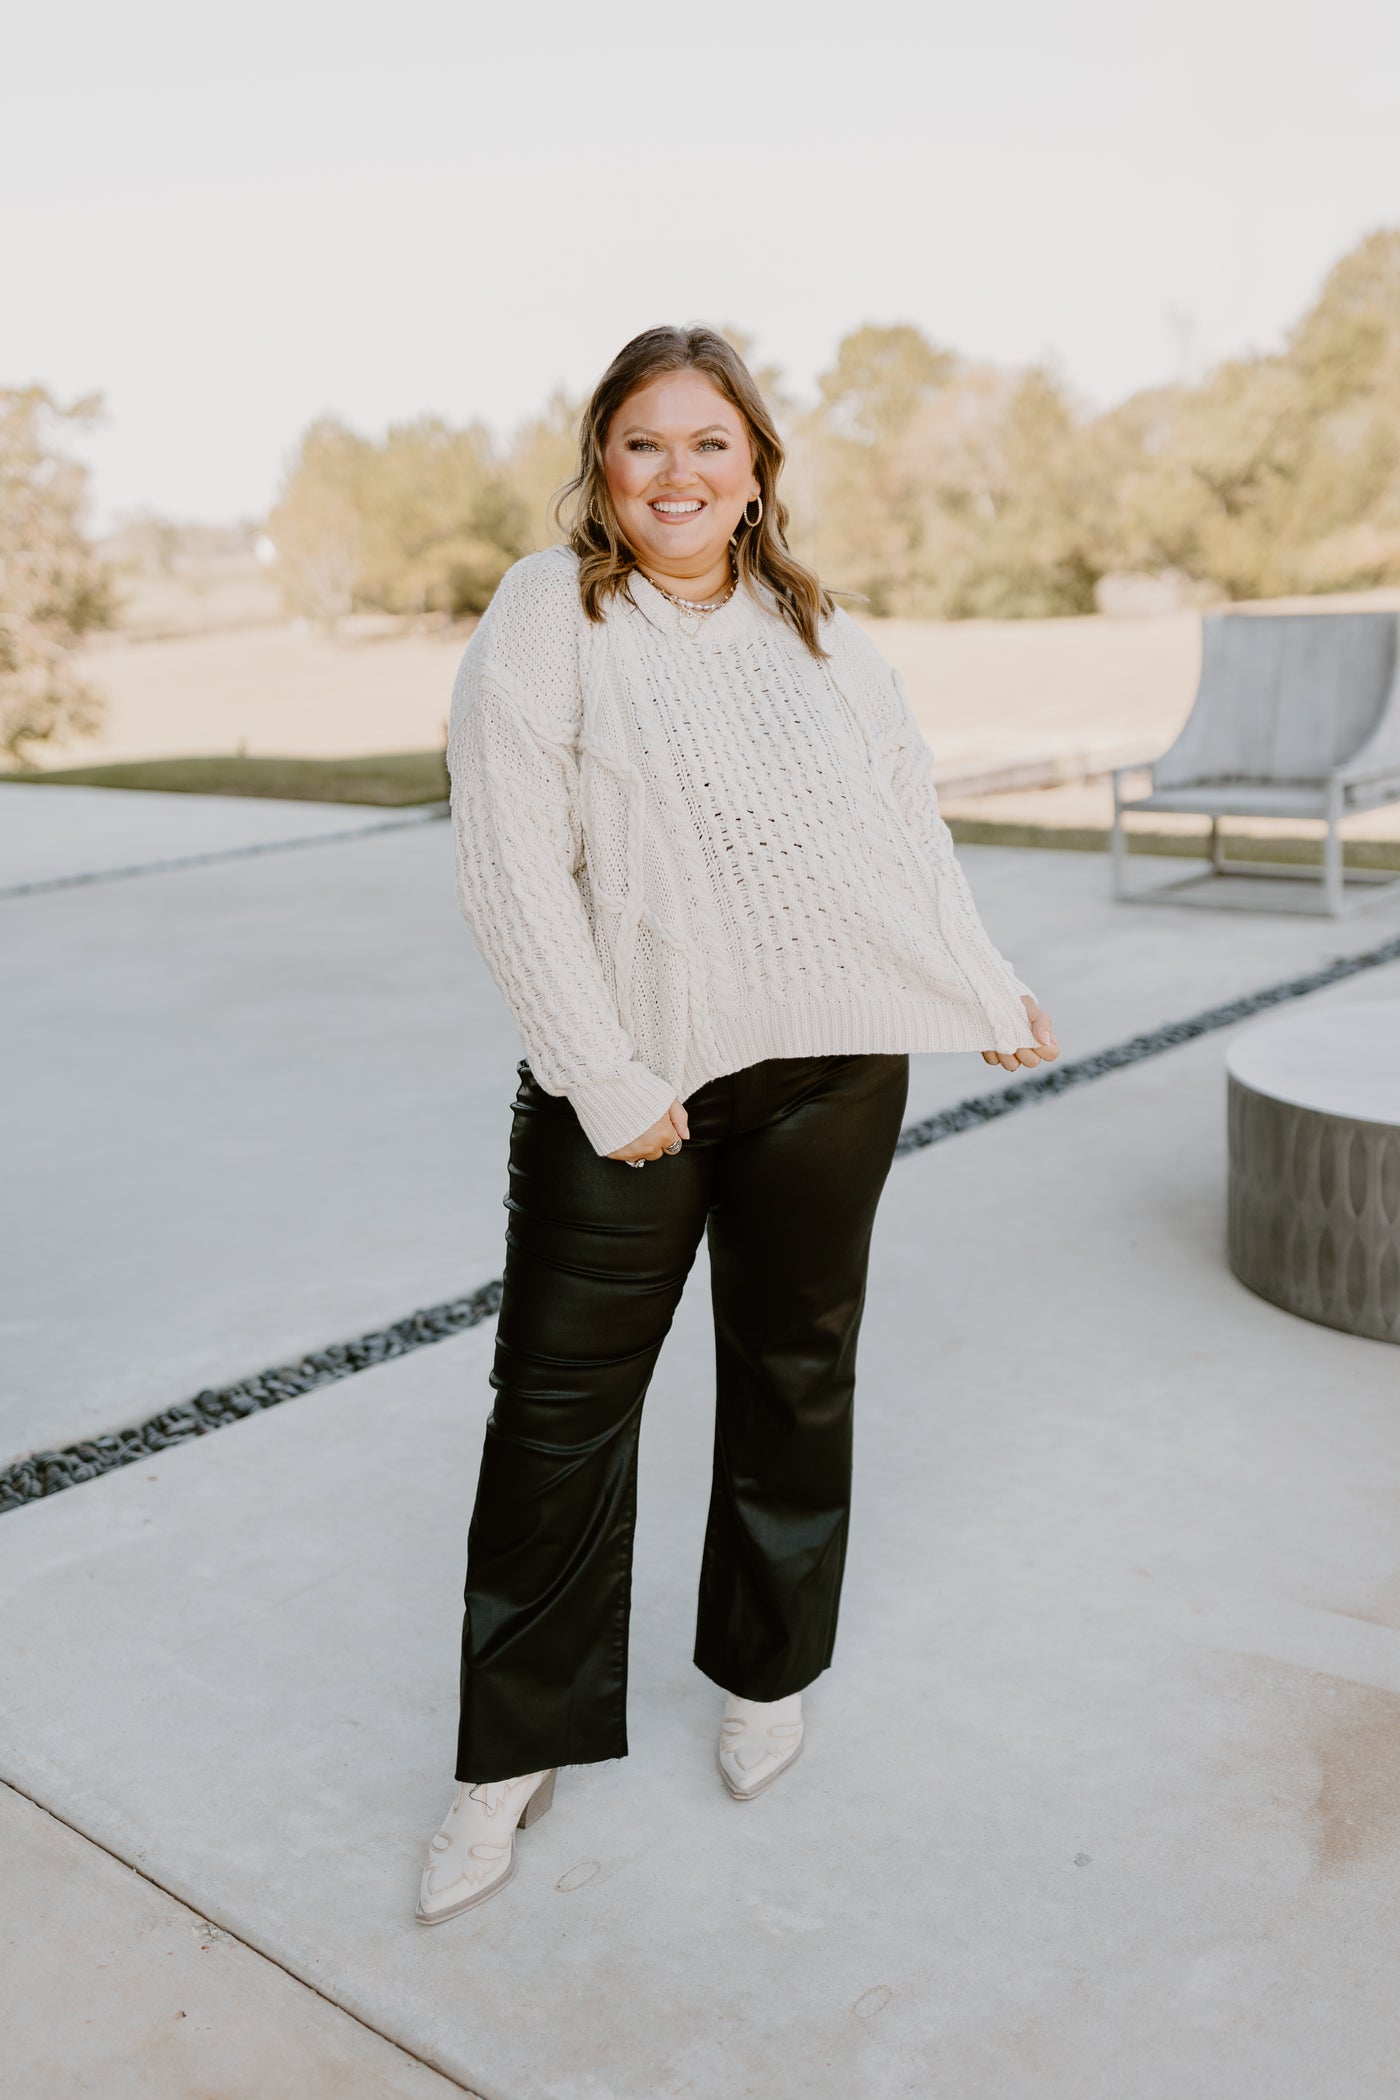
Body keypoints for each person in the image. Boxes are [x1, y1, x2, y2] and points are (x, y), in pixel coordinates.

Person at [416, 325, 1058, 1925]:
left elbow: (901, 829)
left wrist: (978, 981)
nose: (680, 473)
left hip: (833, 1074)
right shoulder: (545, 616)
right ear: (603, 465)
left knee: (795, 1370)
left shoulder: (821, 631)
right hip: (632, 1089)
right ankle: (511, 1752)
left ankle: (768, 1670)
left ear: (758, 465)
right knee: (558, 1419)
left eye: (713, 442)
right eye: (647, 443)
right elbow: (508, 866)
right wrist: (607, 1078)